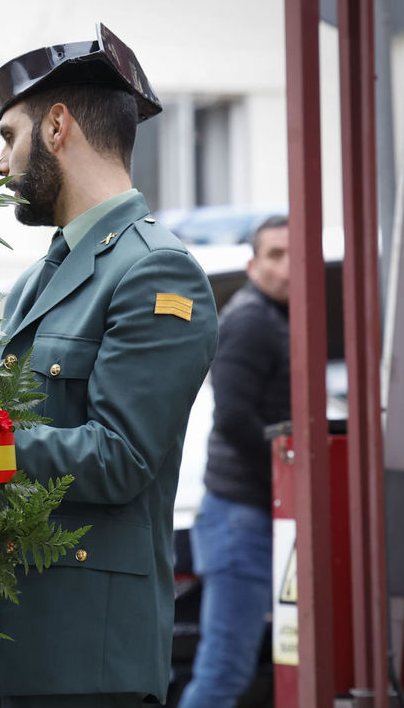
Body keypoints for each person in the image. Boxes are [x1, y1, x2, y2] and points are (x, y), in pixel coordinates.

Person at [0, 25, 218, 707]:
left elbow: (121, 455)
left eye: (9, 136)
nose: (0, 163)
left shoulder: (156, 270)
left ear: (57, 126)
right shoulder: (36, 281)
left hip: (83, 661)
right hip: (1, 649)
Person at [180, 216, 290, 706]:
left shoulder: (277, 317)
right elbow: (233, 418)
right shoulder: (251, 319)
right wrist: (290, 473)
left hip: (251, 515)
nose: (287, 267)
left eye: (296, 253)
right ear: (252, 265)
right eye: (275, 254)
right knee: (224, 671)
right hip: (240, 517)